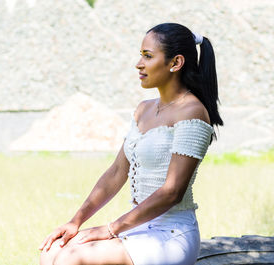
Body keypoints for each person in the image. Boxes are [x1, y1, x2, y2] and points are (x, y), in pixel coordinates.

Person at [38, 22, 223, 265]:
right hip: (137, 226)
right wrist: (75, 222)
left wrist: (110, 229)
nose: (139, 64)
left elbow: (172, 193)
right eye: (140, 55)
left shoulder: (192, 112)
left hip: (170, 235)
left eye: (148, 56)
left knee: (70, 259)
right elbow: (116, 172)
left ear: (175, 63)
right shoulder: (143, 109)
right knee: (52, 251)